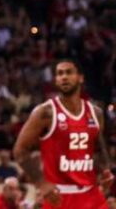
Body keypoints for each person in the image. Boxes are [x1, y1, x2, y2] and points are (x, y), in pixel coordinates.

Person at [13, 60, 113, 209]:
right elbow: (20, 151)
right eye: (60, 73)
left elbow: (99, 145)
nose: (64, 77)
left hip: (91, 194)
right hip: (60, 196)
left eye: (69, 72)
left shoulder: (95, 112)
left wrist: (106, 169)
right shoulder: (45, 112)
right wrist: (42, 184)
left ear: (80, 77)